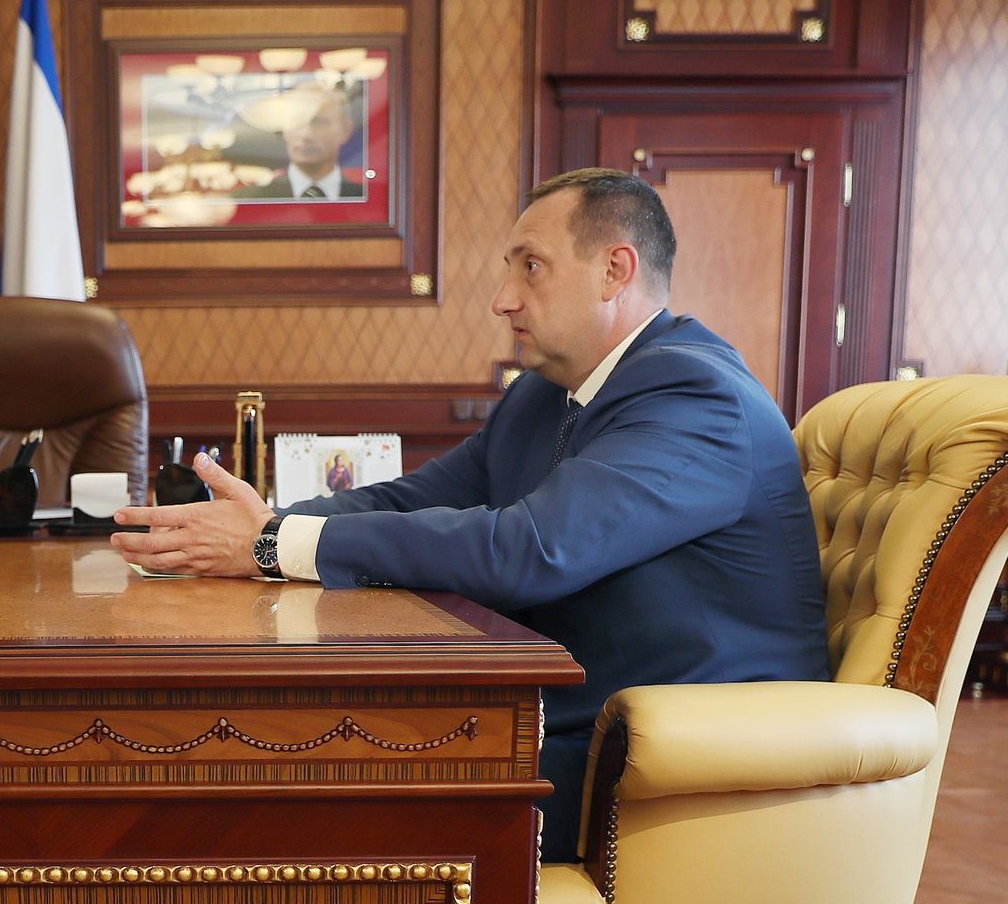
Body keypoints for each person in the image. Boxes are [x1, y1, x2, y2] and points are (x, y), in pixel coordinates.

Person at [112, 168, 829, 862]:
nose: (502, 300)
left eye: (531, 268)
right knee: (295, 757)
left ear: (614, 271)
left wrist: (271, 543)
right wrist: (255, 526)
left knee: (325, 791)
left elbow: (530, 549)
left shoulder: (694, 396)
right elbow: (410, 498)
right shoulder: (544, 395)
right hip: (556, 719)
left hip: (664, 767)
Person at [246, 83, 366, 201]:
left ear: (345, 130)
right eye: (297, 121)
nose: (306, 135)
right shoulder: (250, 200)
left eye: (320, 122)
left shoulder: (367, 199)